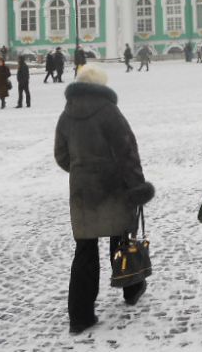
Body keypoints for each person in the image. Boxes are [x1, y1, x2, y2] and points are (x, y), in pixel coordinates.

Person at [54, 64, 155, 335]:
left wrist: (82, 171)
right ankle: (132, 288)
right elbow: (127, 152)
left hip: (82, 193)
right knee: (120, 240)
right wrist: (136, 186)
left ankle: (80, 316)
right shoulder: (109, 111)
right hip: (112, 189)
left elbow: (61, 156)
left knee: (85, 252)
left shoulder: (67, 114)